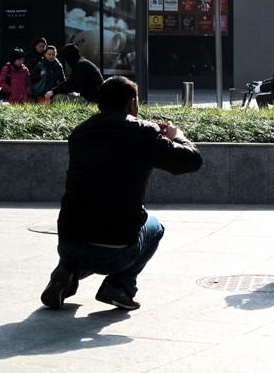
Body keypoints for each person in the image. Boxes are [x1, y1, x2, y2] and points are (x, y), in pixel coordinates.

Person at [41, 76, 203, 310]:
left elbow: (114, 142)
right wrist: (175, 136)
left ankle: (66, 273)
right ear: (132, 102)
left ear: (98, 104)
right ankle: (119, 286)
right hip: (114, 248)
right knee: (154, 227)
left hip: (68, 243)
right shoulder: (144, 134)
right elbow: (192, 160)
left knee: (82, 225)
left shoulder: (80, 133)